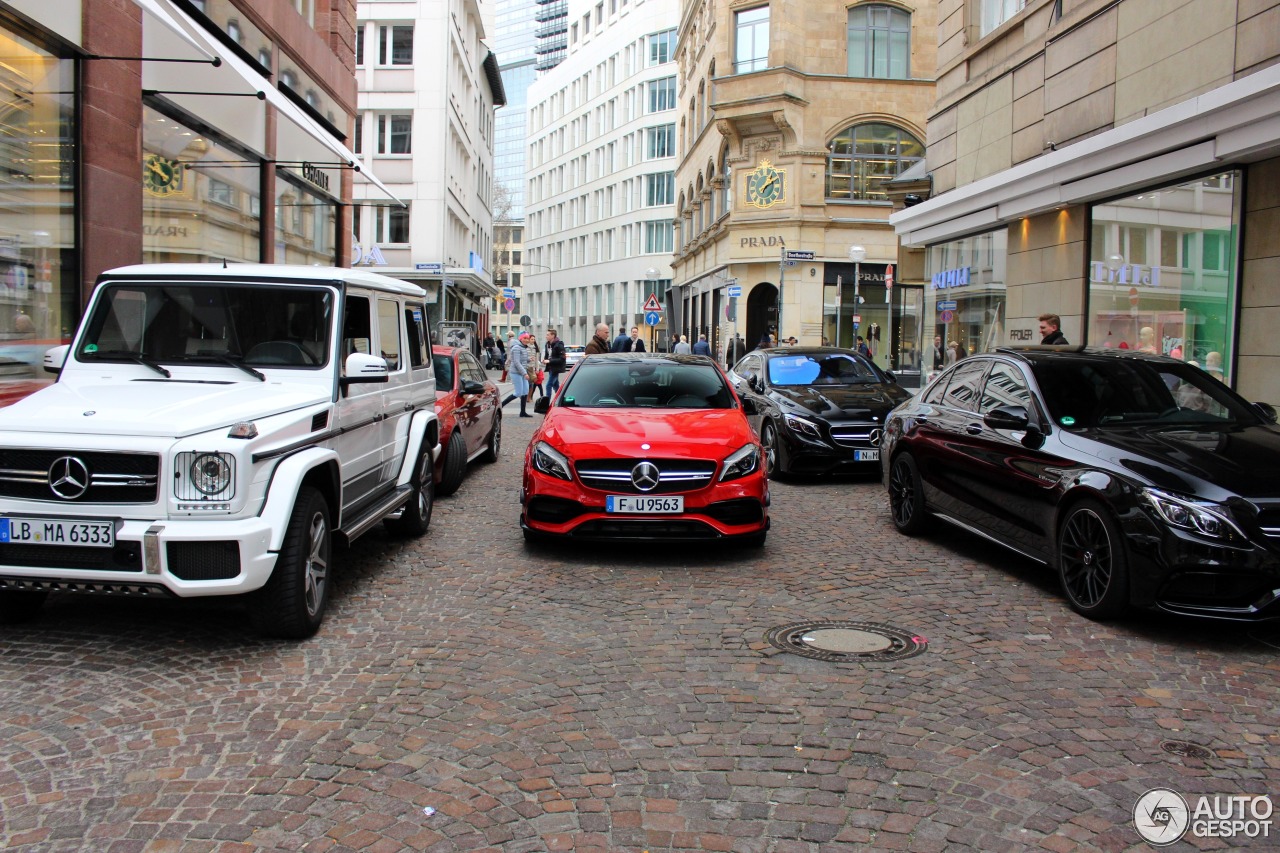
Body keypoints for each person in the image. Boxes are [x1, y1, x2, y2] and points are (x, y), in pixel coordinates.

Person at [502, 333, 534, 417]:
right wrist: (525, 373)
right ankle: (501, 405)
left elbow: (522, 360)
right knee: (518, 392)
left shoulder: (523, 347)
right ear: (520, 339)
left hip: (522, 372)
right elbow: (516, 362)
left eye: (527, 338)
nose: (527, 340)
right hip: (516, 373)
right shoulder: (516, 348)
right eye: (525, 338)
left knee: (525, 391)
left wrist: (528, 359)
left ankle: (522, 412)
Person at [542, 328, 566, 398]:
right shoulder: (547, 344)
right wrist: (545, 360)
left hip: (556, 368)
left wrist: (550, 361)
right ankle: (561, 399)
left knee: (548, 385)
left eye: (548, 335)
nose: (546, 336)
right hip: (550, 367)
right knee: (556, 385)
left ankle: (546, 403)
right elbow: (548, 355)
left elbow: (562, 358)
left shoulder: (559, 345)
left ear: (553, 335)